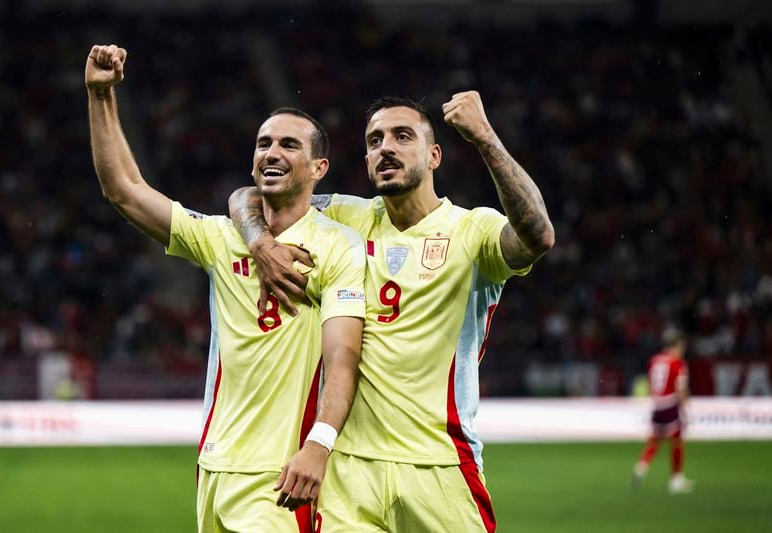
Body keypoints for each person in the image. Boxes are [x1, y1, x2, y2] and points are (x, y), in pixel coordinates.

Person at [229, 93, 554, 532]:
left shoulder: (472, 230)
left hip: (439, 464)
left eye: (403, 137)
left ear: (434, 155)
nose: (386, 147)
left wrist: (485, 138)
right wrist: (260, 242)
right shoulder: (346, 217)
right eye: (375, 140)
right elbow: (250, 194)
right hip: (351, 473)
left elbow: (537, 236)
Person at [86, 44, 366, 532]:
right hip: (213, 466)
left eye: (289, 145)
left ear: (319, 169)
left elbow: (344, 358)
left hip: (279, 475)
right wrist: (100, 96)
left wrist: (318, 446)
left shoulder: (337, 247)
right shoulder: (223, 237)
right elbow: (124, 190)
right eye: (263, 144)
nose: (271, 152)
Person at [632, 326, 695, 494]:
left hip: (657, 405)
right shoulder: (678, 363)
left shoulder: (655, 360)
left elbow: (652, 382)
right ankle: (676, 479)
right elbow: (680, 389)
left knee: (655, 440)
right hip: (670, 405)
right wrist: (685, 409)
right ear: (677, 345)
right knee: (677, 441)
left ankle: (640, 468)